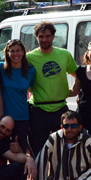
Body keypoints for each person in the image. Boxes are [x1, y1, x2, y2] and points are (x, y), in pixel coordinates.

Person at [26, 21, 77, 154]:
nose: (44, 40)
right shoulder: (29, 57)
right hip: (38, 110)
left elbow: (79, 75)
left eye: (47, 36)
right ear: (36, 37)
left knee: (62, 151)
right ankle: (40, 175)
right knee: (39, 152)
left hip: (60, 109)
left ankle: (60, 175)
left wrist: (74, 91)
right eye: (41, 36)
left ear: (53, 36)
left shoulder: (64, 54)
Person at [0, 39, 36, 154]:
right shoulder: (0, 68)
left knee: (19, 152)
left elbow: (32, 87)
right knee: (1, 152)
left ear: (23, 52)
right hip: (4, 118)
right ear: (7, 53)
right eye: (12, 51)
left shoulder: (30, 70)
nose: (15, 54)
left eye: (18, 50)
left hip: (22, 118)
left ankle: (20, 173)